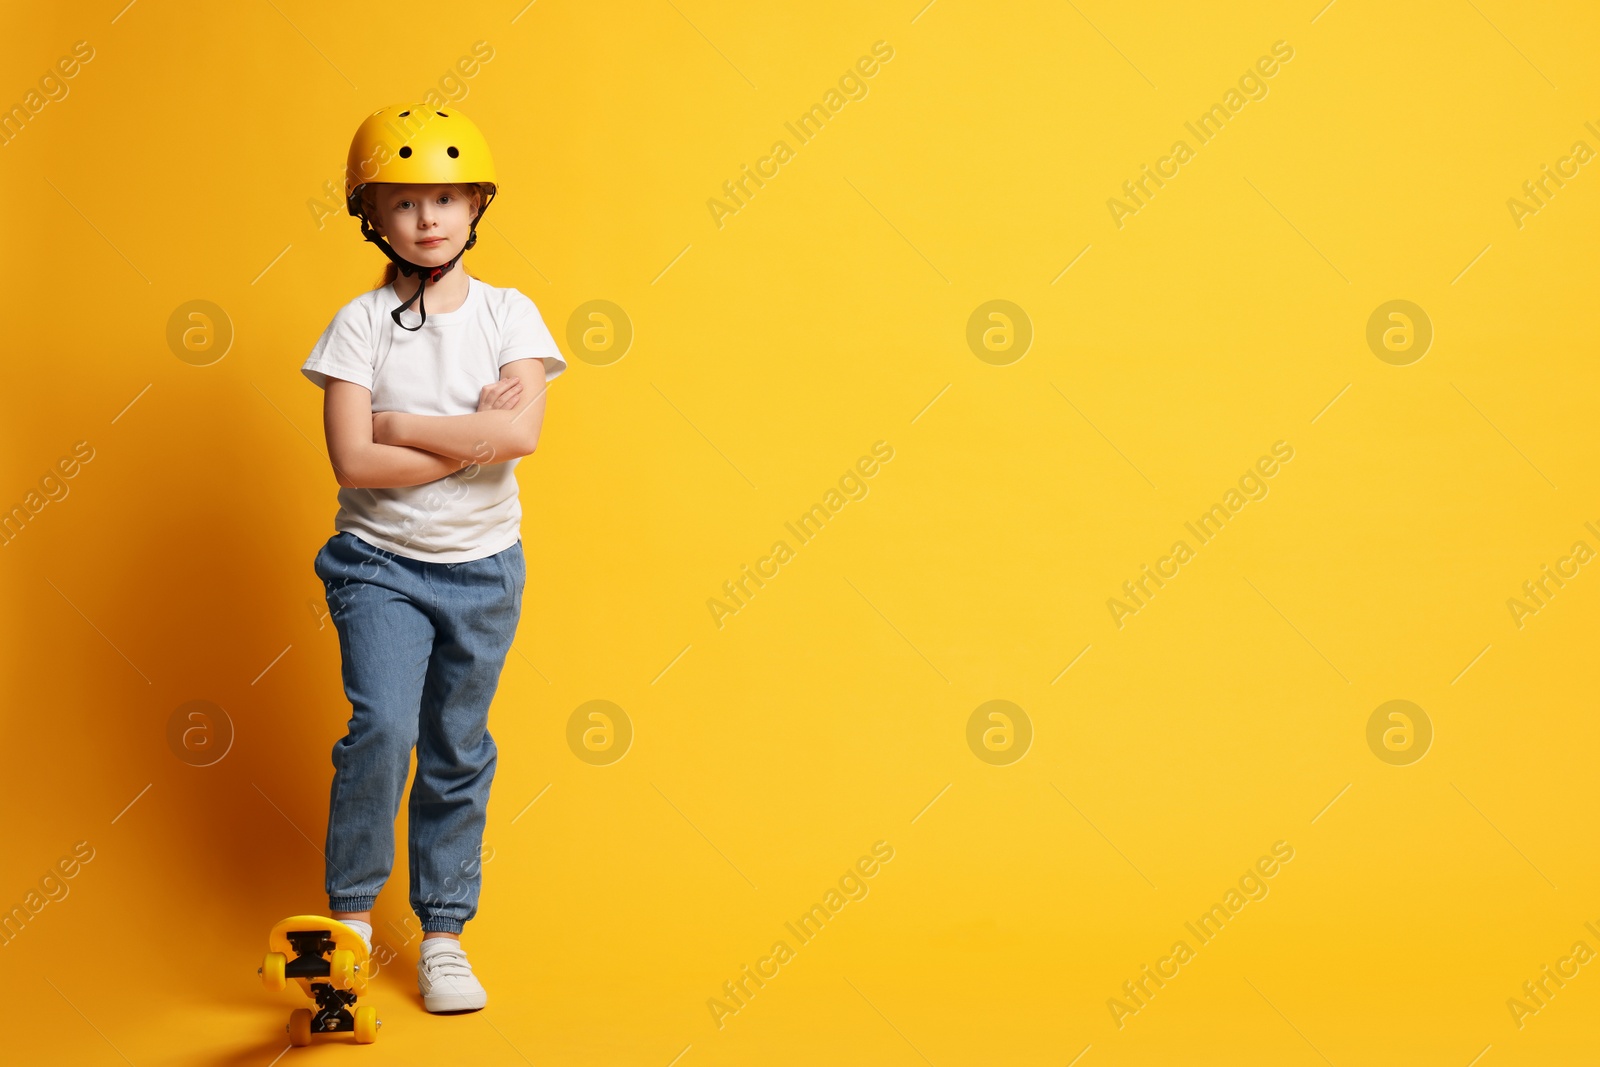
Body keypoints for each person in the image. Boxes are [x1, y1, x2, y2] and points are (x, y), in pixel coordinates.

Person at [300, 102, 566, 1012]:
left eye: (446, 198)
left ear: (476, 205)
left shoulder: (509, 313)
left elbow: (520, 432)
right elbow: (354, 461)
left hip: (485, 567)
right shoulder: (358, 325)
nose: (427, 218)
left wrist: (408, 422)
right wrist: (473, 435)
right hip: (379, 562)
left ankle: (444, 932)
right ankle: (350, 924)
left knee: (457, 745)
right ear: (371, 212)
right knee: (383, 728)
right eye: (405, 201)